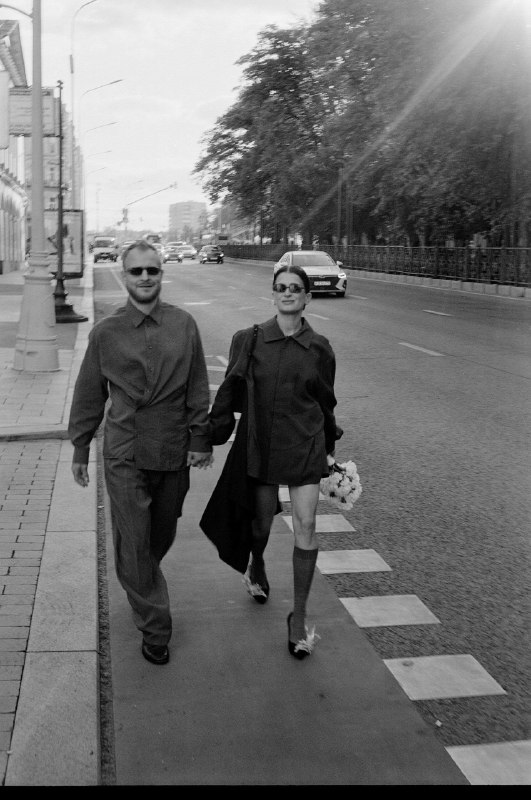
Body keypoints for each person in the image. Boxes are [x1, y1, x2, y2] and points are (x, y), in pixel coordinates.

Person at [68, 240, 213, 666]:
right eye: (137, 271)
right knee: (133, 540)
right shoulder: (106, 333)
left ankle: (141, 581)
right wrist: (80, 445)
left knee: (158, 536)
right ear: (125, 274)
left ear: (161, 274)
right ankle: (155, 627)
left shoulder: (184, 324)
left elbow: (198, 385)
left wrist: (200, 437)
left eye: (152, 270)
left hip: (171, 446)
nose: (145, 277)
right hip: (124, 449)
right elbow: (89, 392)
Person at [207, 264, 342, 659]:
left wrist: (329, 447)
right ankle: (258, 563)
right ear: (273, 294)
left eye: (295, 288)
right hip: (262, 445)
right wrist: (209, 435)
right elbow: (229, 390)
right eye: (281, 287)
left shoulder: (320, 348)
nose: (287, 293)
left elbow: (326, 401)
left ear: (307, 297)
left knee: (307, 524)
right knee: (261, 524)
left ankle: (298, 617)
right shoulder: (249, 340)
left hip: (305, 444)